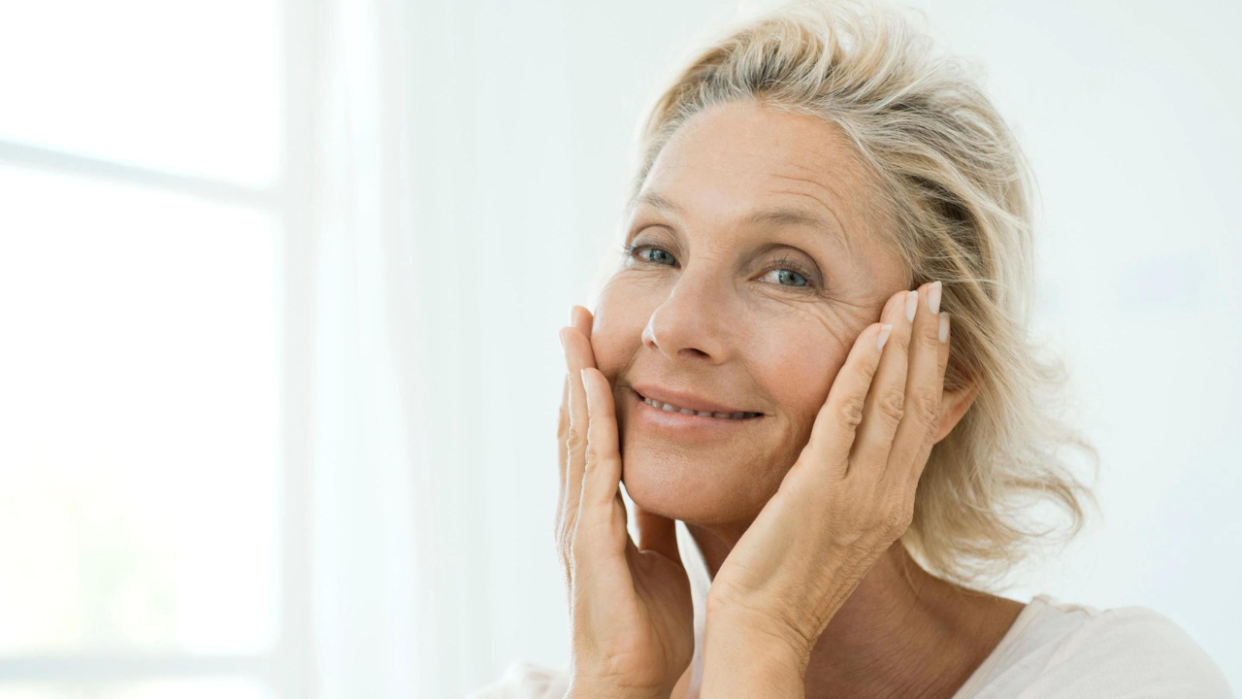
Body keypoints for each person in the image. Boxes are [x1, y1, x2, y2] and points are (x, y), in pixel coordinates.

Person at [470, 0, 1234, 696]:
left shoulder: (1122, 679)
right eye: (656, 251)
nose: (674, 325)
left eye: (785, 272)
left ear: (942, 379)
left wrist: (765, 636)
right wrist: (615, 683)